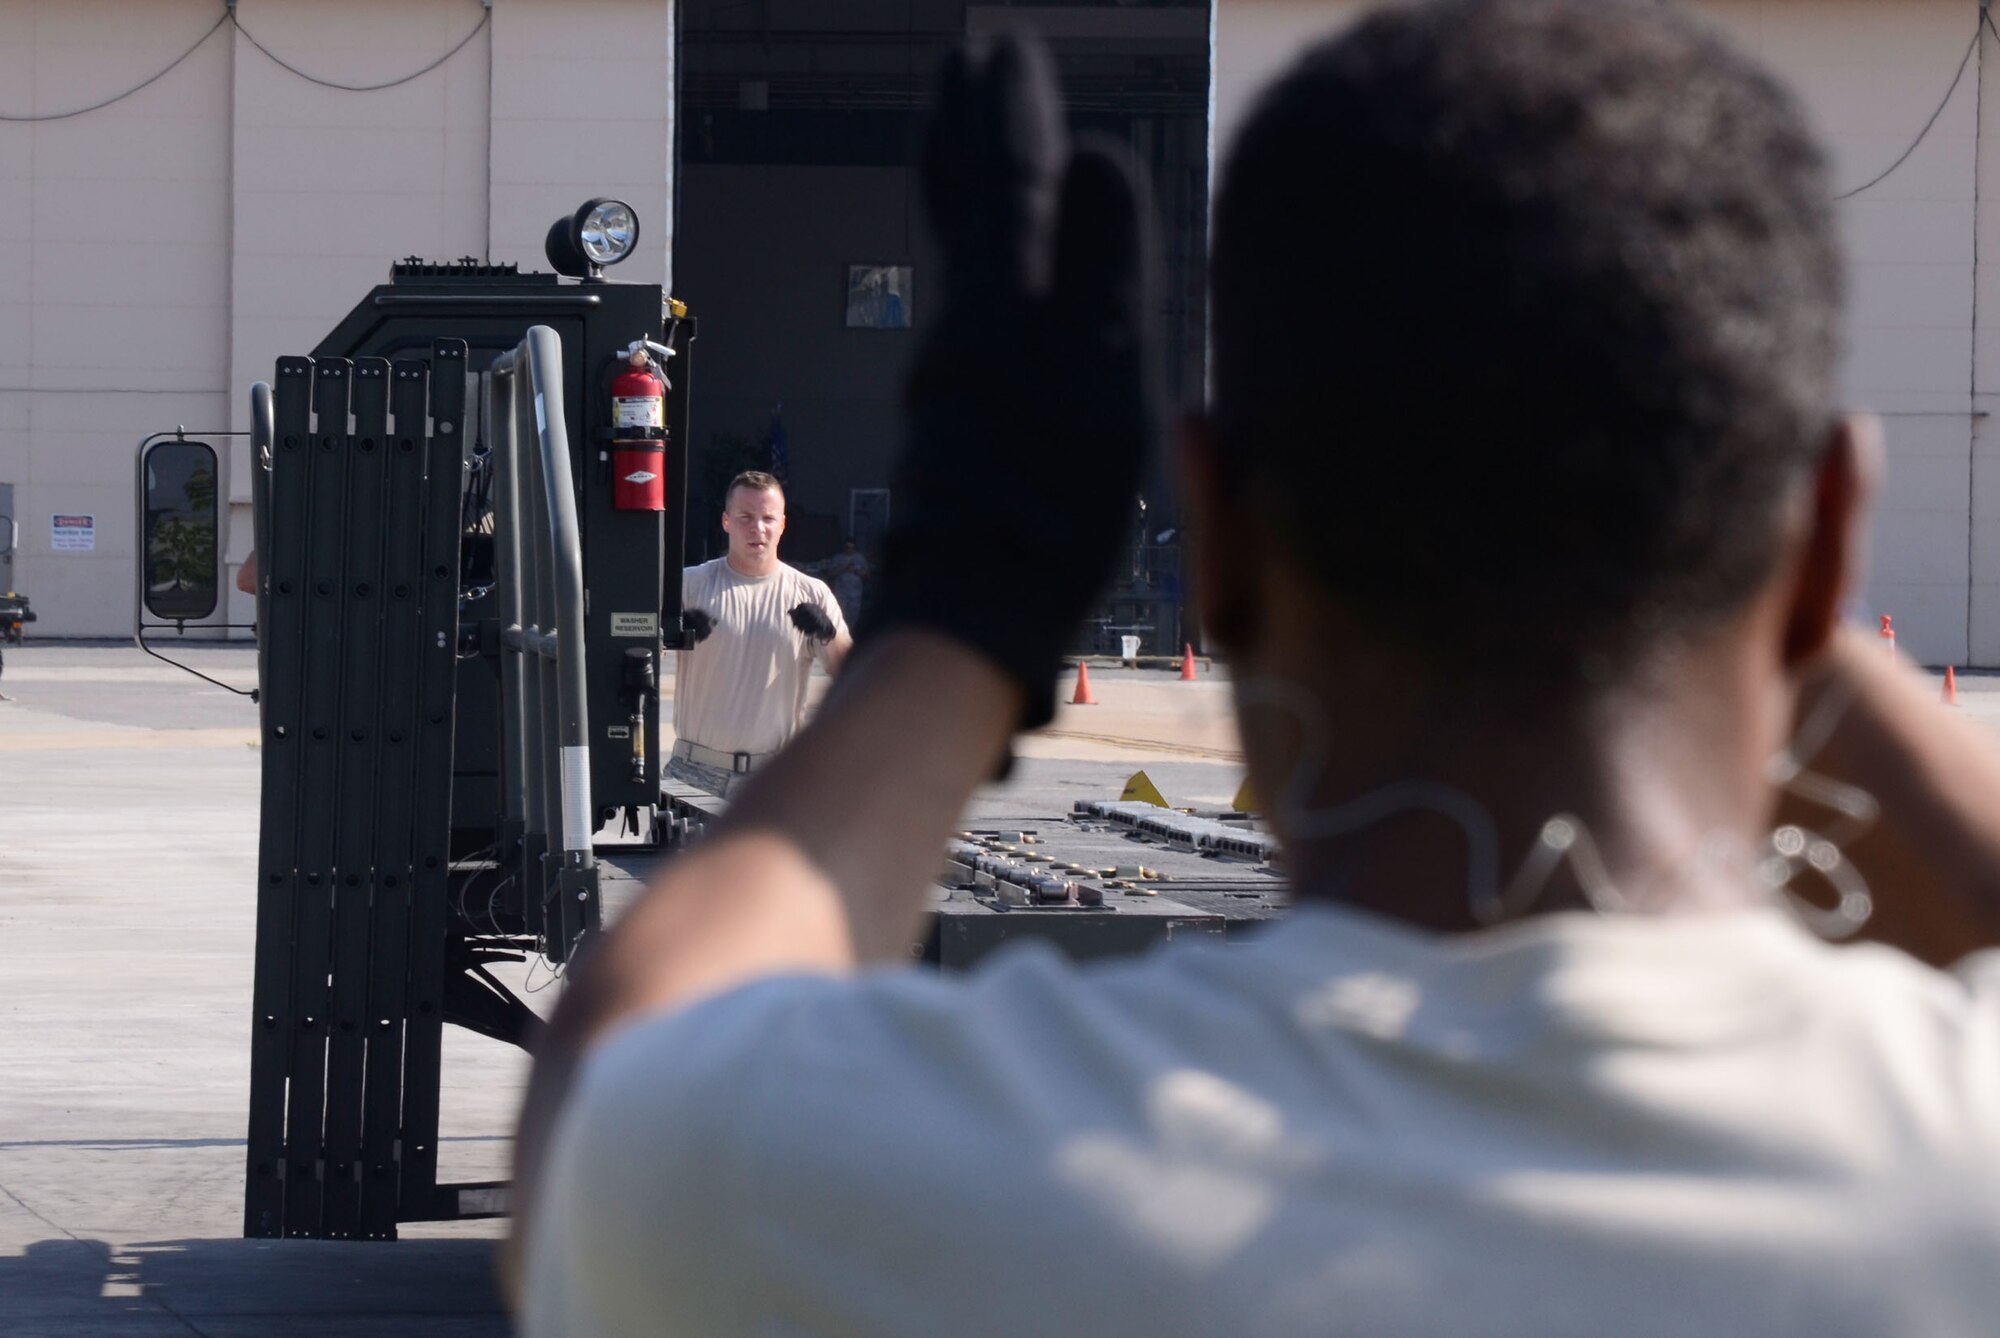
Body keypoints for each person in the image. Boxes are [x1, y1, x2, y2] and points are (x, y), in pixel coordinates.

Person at [514, 7, 2000, 1334]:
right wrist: (1764, 563)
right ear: (1821, 548)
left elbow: (611, 1088)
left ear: (1217, 546)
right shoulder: (1959, 1160)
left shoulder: (880, 1183)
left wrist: (965, 611)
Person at [670, 470, 850, 797]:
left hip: (776, 778)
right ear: (726, 521)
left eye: (768, 518)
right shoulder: (689, 587)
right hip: (695, 772)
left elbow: (852, 676)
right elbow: (636, 655)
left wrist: (828, 634)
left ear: (782, 524)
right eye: (745, 517)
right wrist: (667, 633)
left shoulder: (811, 593)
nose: (758, 528)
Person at [824, 537, 870, 625]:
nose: (849, 550)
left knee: (853, 616)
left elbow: (867, 575)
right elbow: (830, 574)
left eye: (852, 548)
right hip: (841, 592)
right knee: (840, 614)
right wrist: (843, 568)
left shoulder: (860, 558)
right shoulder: (837, 558)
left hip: (855, 593)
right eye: (847, 547)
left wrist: (856, 570)